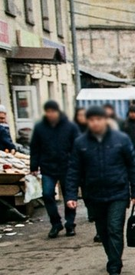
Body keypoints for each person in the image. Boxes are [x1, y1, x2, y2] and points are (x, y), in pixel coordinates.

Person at [64, 106, 135, 275]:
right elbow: (73, 171)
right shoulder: (81, 143)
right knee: (103, 231)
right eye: (91, 120)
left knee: (114, 228)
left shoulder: (121, 140)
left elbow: (133, 167)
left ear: (105, 120)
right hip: (94, 195)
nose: (95, 123)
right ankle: (113, 256)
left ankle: (114, 267)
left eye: (98, 119)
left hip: (118, 192)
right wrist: (70, 195)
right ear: (87, 121)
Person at [30, 100, 80, 238]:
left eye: (53, 111)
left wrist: (77, 164)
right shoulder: (40, 128)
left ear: (58, 112)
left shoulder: (69, 127)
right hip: (48, 167)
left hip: (67, 167)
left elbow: (77, 147)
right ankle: (55, 223)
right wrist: (34, 166)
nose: (50, 114)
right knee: (47, 194)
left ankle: (70, 224)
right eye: (48, 112)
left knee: (70, 196)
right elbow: (35, 148)